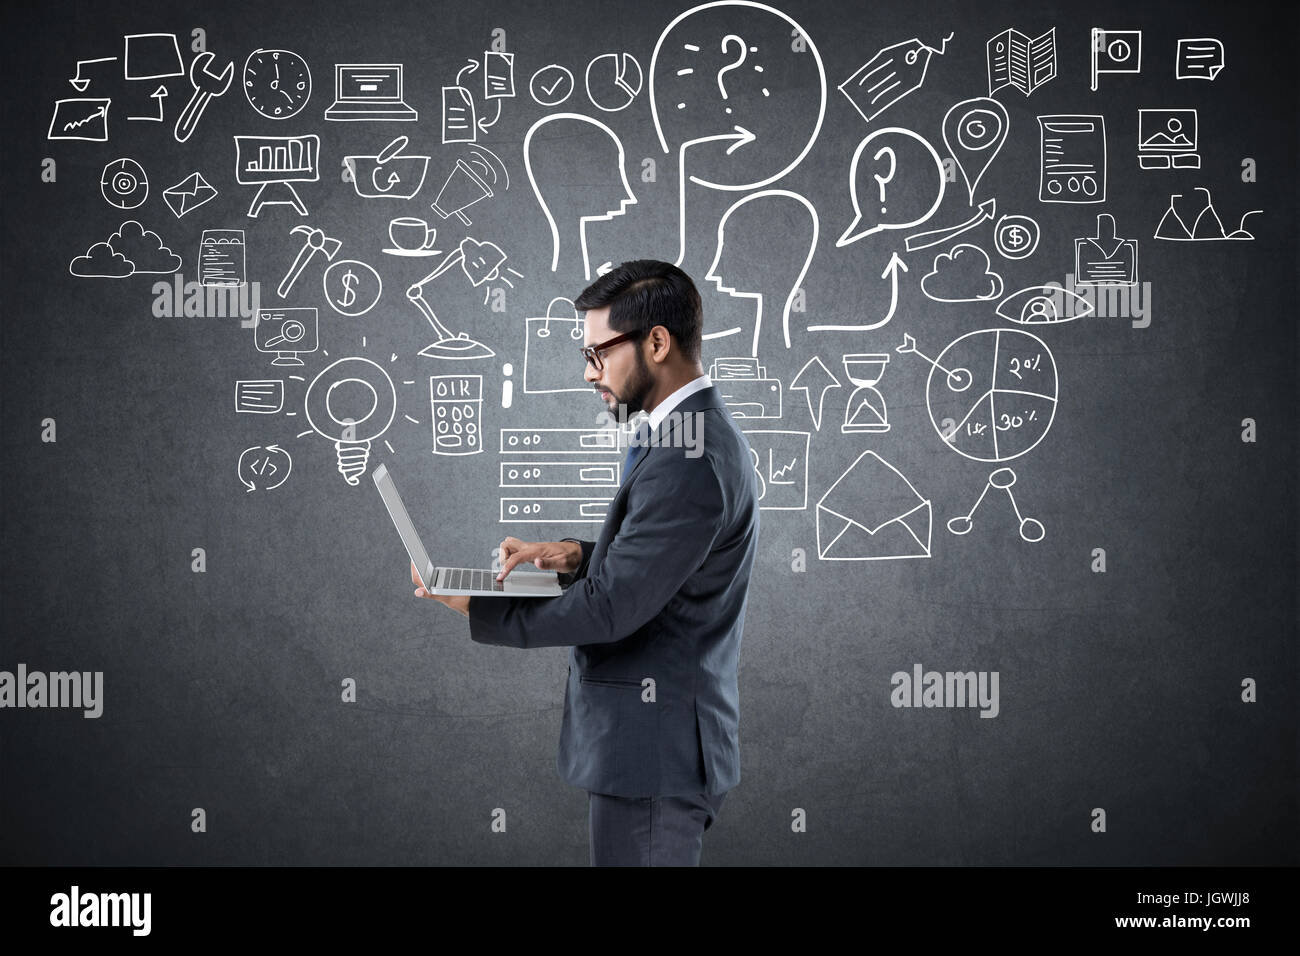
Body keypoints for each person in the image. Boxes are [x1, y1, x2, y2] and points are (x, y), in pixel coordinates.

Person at [412, 260, 760, 866]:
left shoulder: (688, 456)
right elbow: (668, 564)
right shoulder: (686, 433)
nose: (587, 372)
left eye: (598, 353)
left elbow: (612, 608)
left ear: (657, 342)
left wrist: (485, 606)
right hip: (656, 745)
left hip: (654, 754)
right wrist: (576, 556)